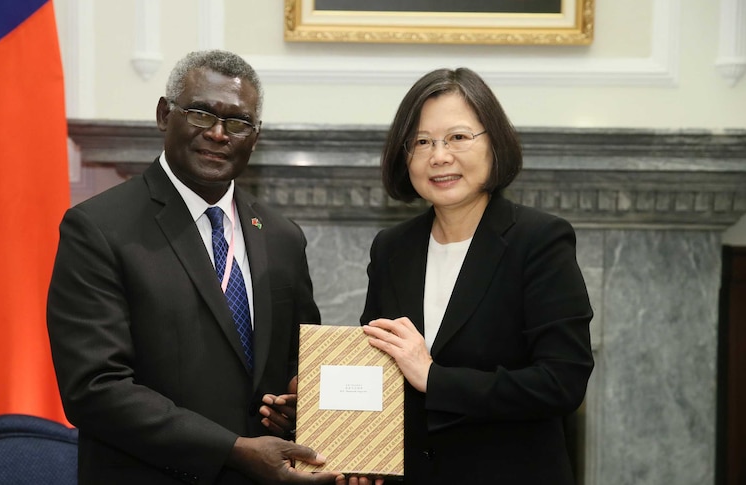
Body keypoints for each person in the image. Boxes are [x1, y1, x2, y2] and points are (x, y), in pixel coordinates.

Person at [47, 50, 341, 484]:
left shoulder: (282, 237)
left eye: (238, 122)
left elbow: (300, 365)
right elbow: (95, 389)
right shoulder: (98, 228)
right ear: (165, 114)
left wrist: (301, 408)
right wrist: (234, 451)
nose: (219, 134)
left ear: (255, 136)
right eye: (202, 114)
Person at [358, 68, 594, 485]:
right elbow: (377, 370)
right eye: (422, 142)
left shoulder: (539, 240)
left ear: (494, 144)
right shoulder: (392, 247)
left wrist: (434, 378)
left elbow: (562, 382)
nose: (439, 156)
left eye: (458, 137)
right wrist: (332, 417)